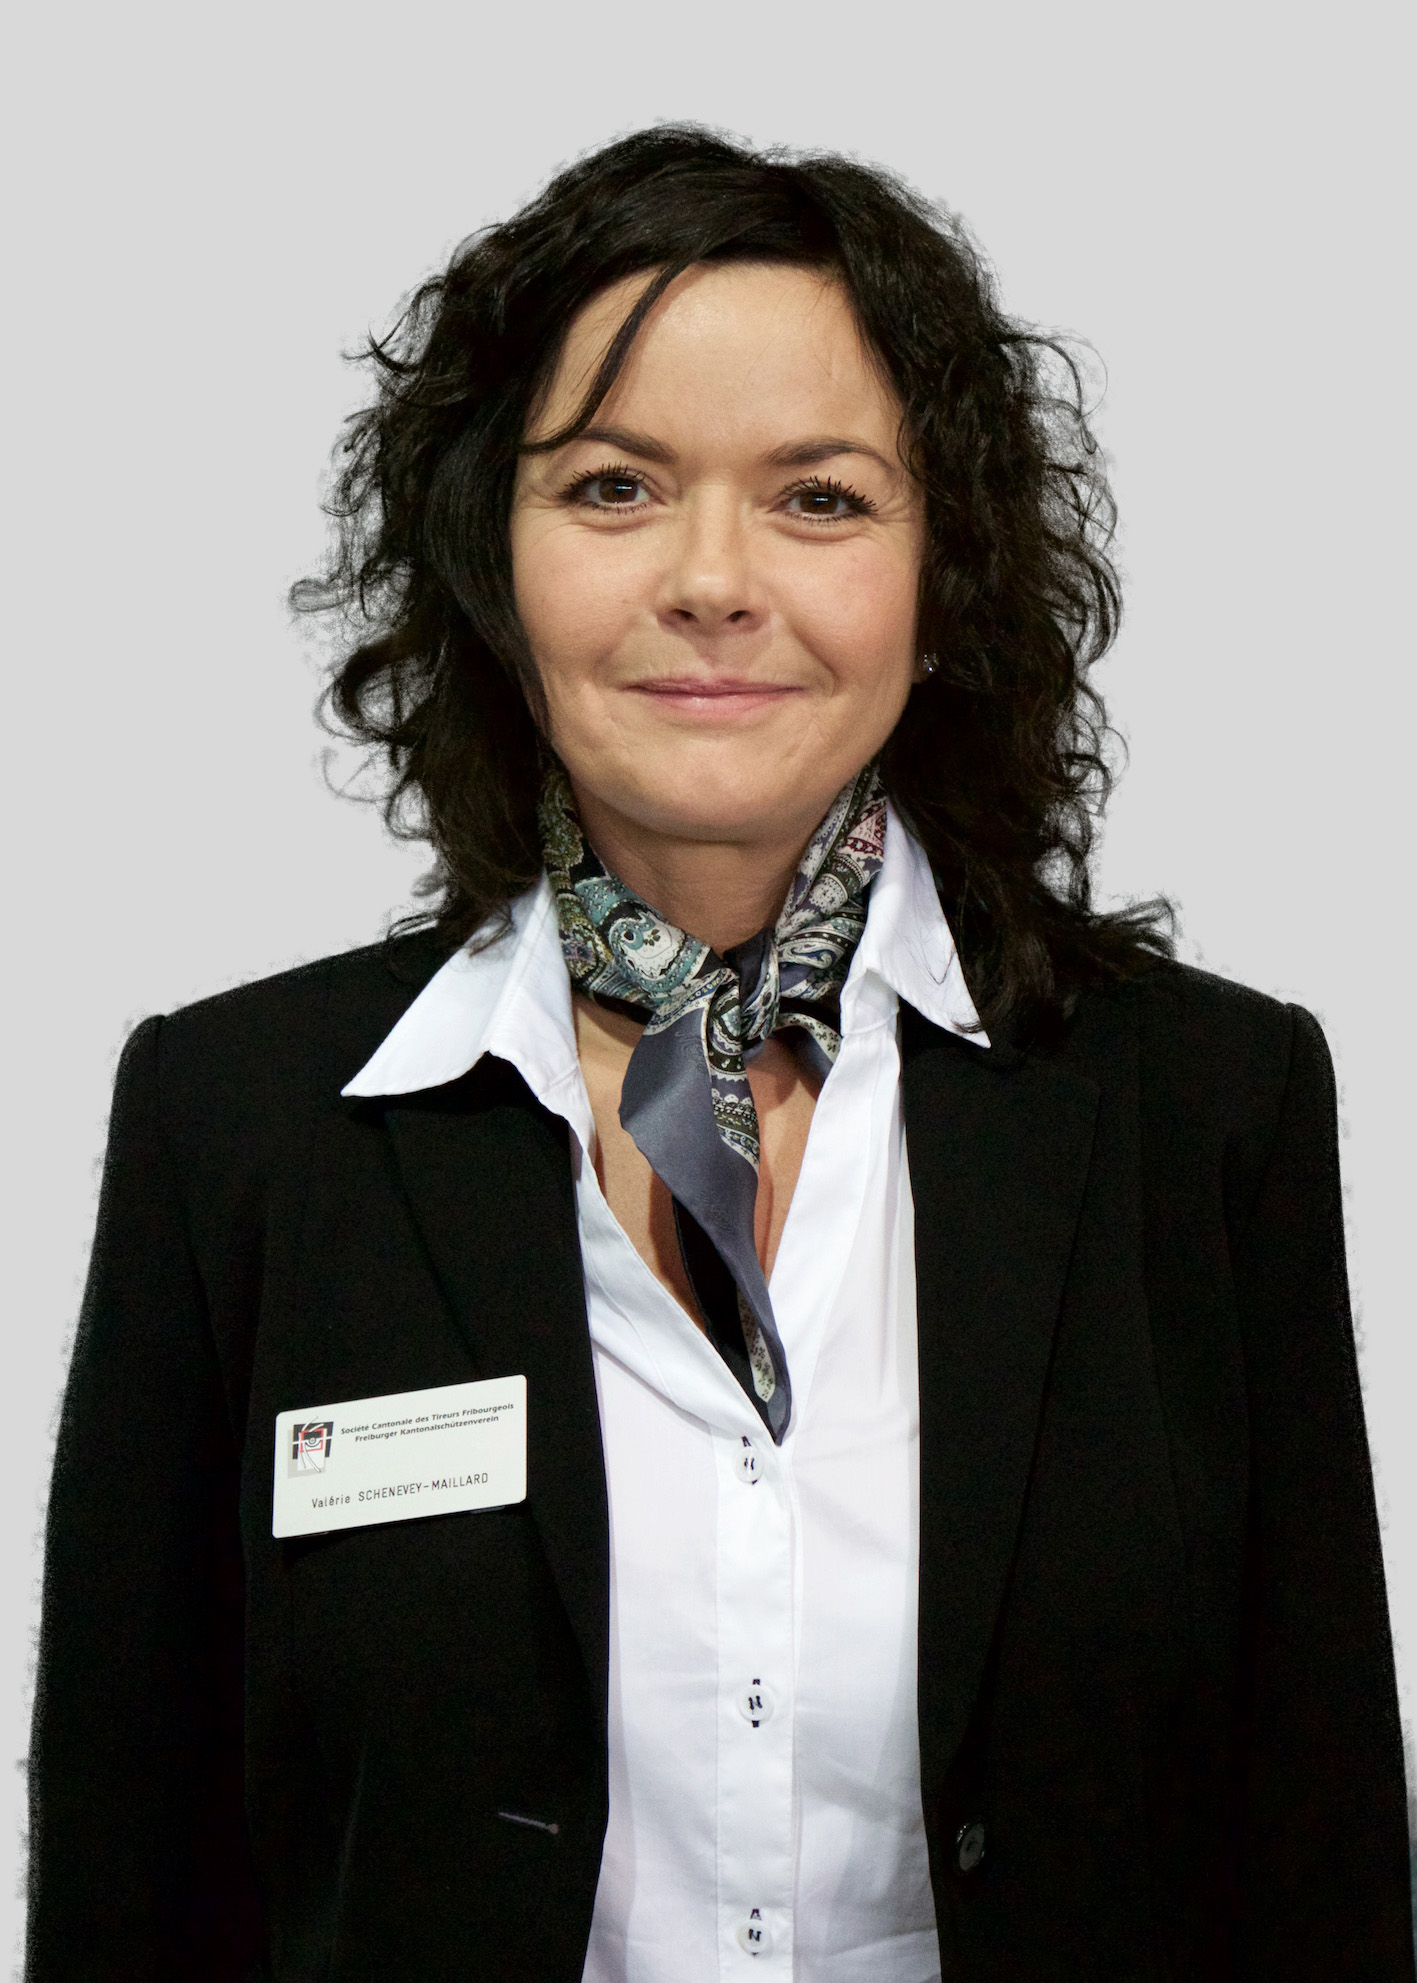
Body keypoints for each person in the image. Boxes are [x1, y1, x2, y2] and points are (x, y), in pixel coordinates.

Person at [26, 126, 1414, 1982]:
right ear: (490, 561)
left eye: (819, 498)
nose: (711, 579)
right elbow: (129, 1874)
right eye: (612, 486)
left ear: (944, 575)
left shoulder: (1207, 1105)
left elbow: (1316, 1845)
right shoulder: (240, 1121)